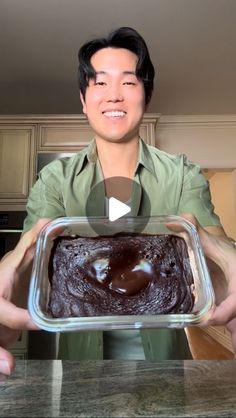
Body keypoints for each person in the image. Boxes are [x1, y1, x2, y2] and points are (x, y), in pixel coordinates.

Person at [0, 27, 235, 375]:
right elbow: (29, 252)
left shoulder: (182, 174)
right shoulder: (55, 180)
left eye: (128, 82)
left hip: (165, 369)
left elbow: (211, 247)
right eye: (99, 83)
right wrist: (13, 262)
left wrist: (226, 260)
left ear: (147, 94)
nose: (114, 95)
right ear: (83, 100)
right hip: (81, 370)